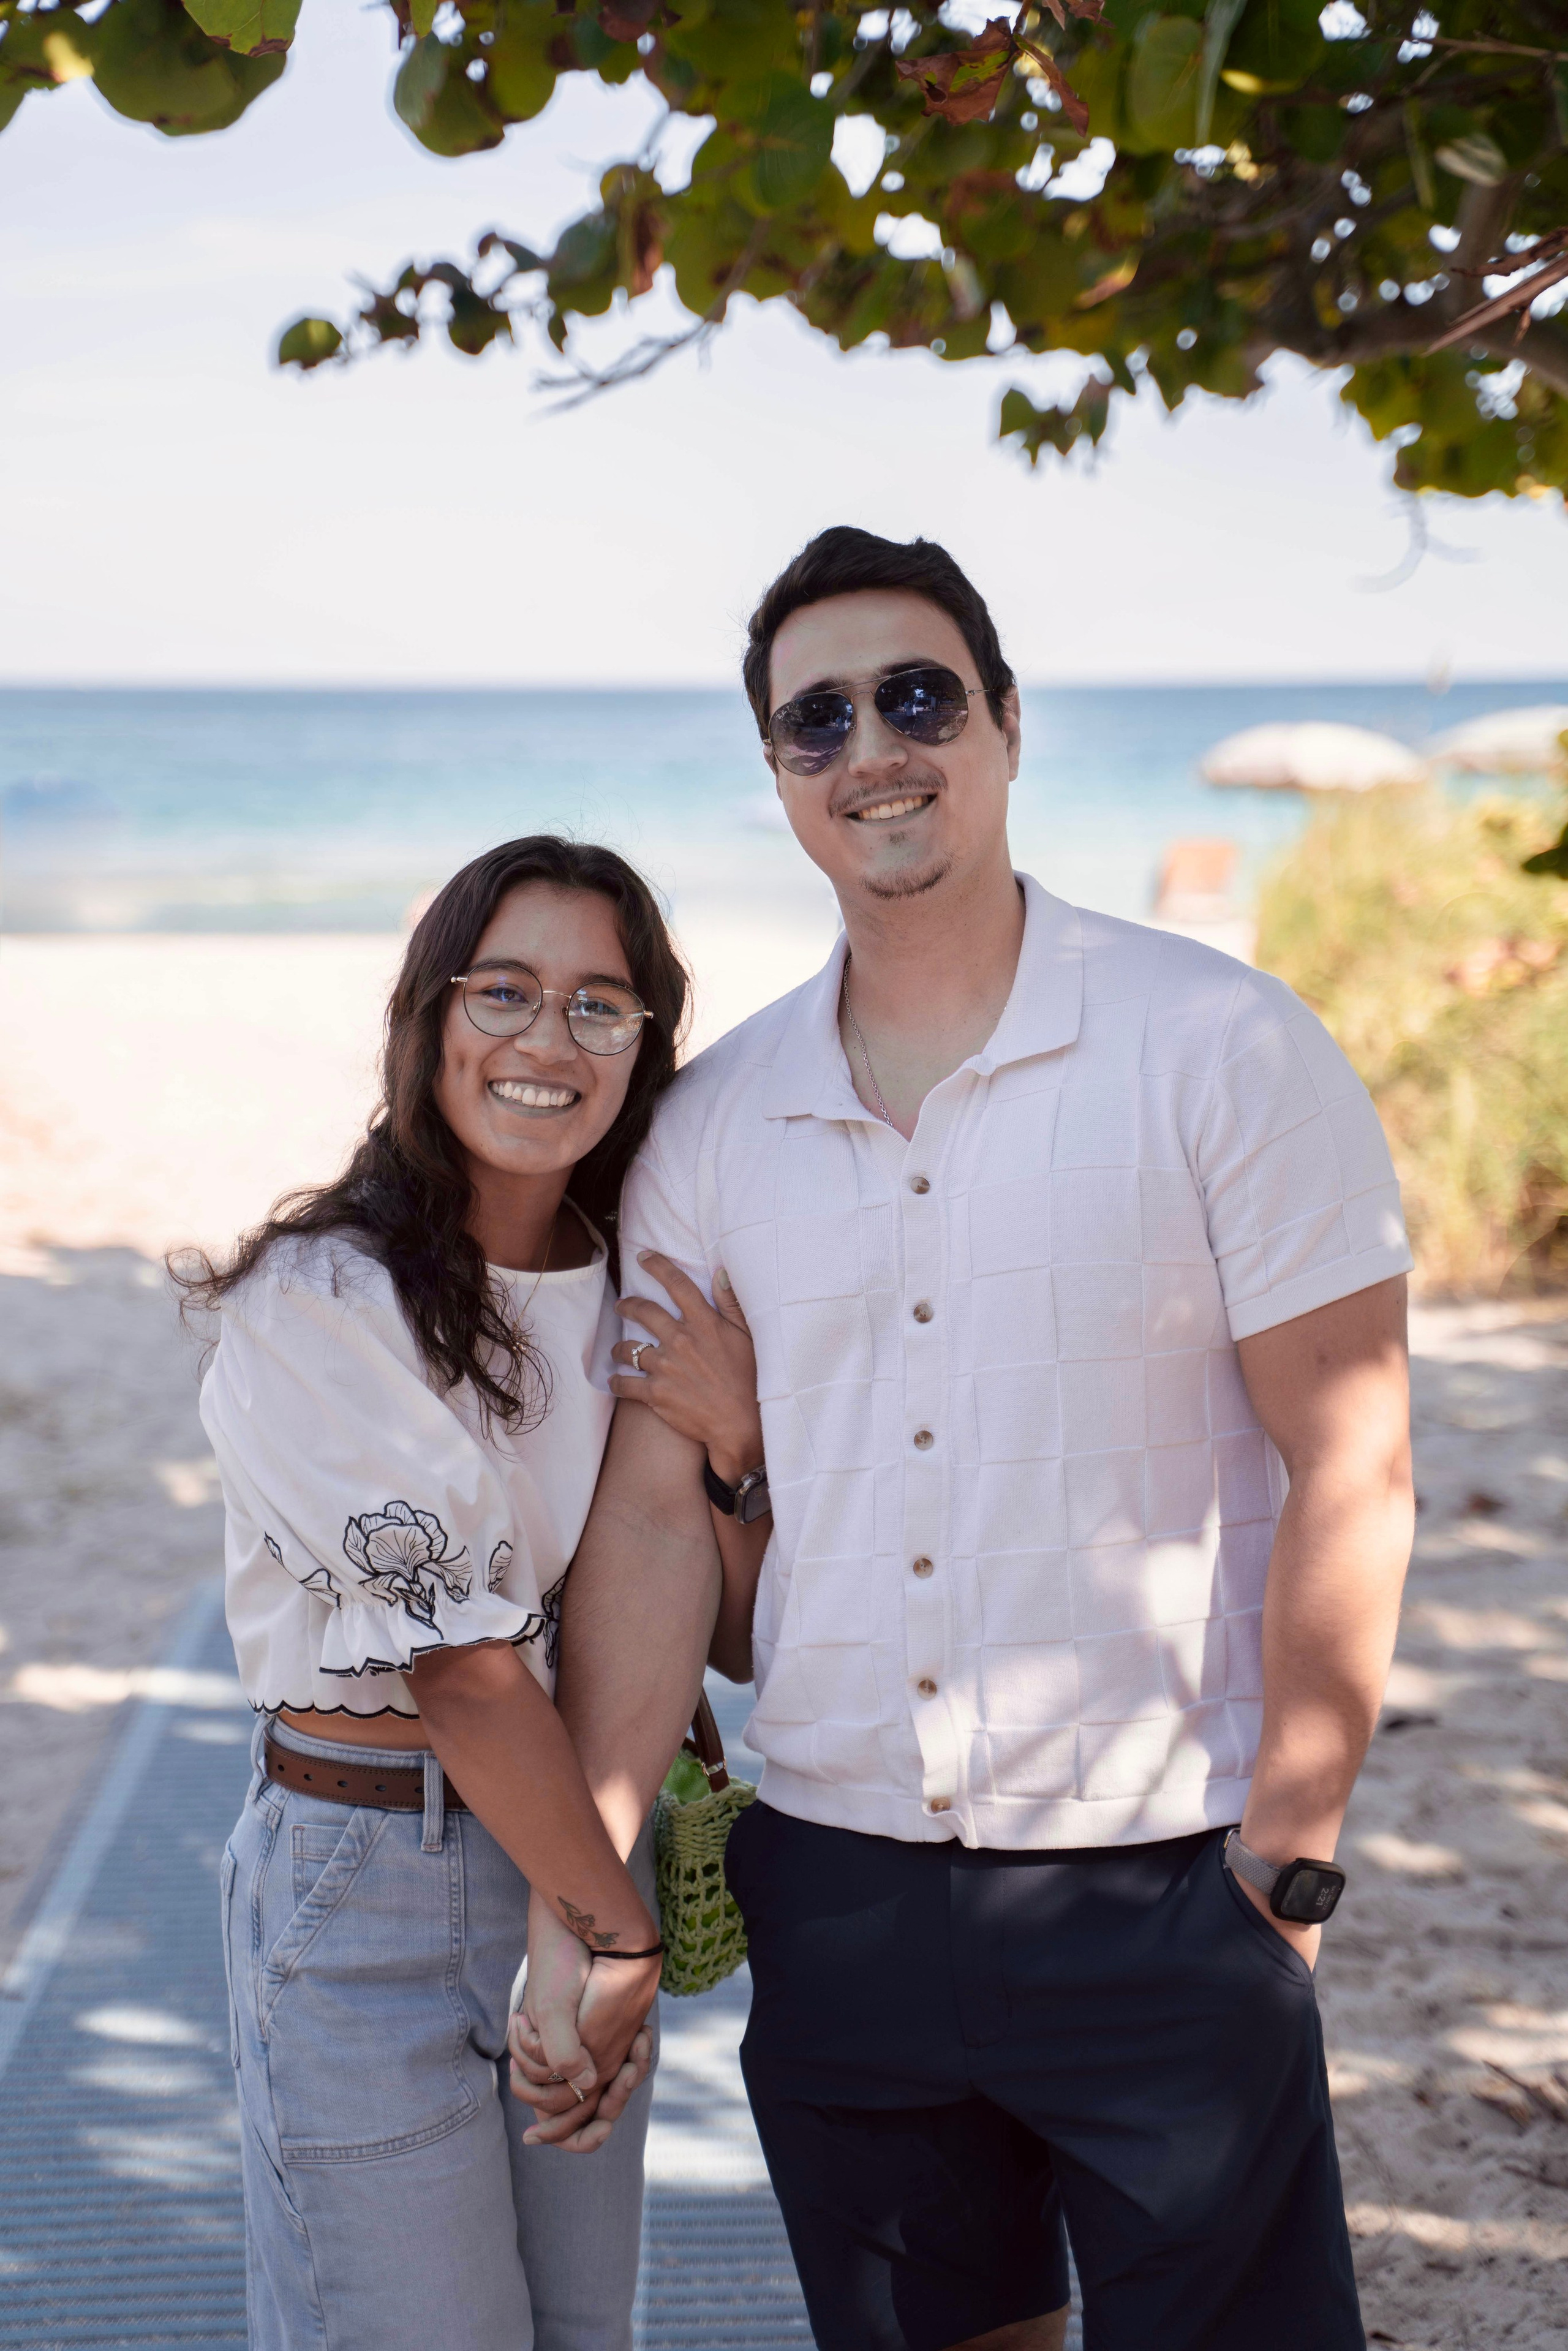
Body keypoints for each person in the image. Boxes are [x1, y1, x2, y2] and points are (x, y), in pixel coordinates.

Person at [536, 529, 1415, 2351]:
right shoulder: (711, 1128)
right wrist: (591, 1883)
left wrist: (1291, 1859)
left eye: (919, 694)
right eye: (817, 717)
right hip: (840, 1883)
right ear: (780, 774)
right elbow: (644, 1526)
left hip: (1170, 1881)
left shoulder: (1221, 1048)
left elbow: (1354, 1461)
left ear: (1009, 724)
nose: (874, 744)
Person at [187, 836, 742, 2351]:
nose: (546, 1040)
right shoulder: (312, 1304)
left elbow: (732, 1617)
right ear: (428, 1015)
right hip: (369, 1883)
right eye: (504, 990)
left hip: (574, 1846)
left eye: (598, 1005)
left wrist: (736, 1437)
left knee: (577, 2330)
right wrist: (613, 1934)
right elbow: (467, 1669)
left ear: (644, 1044)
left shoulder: (646, 1284)